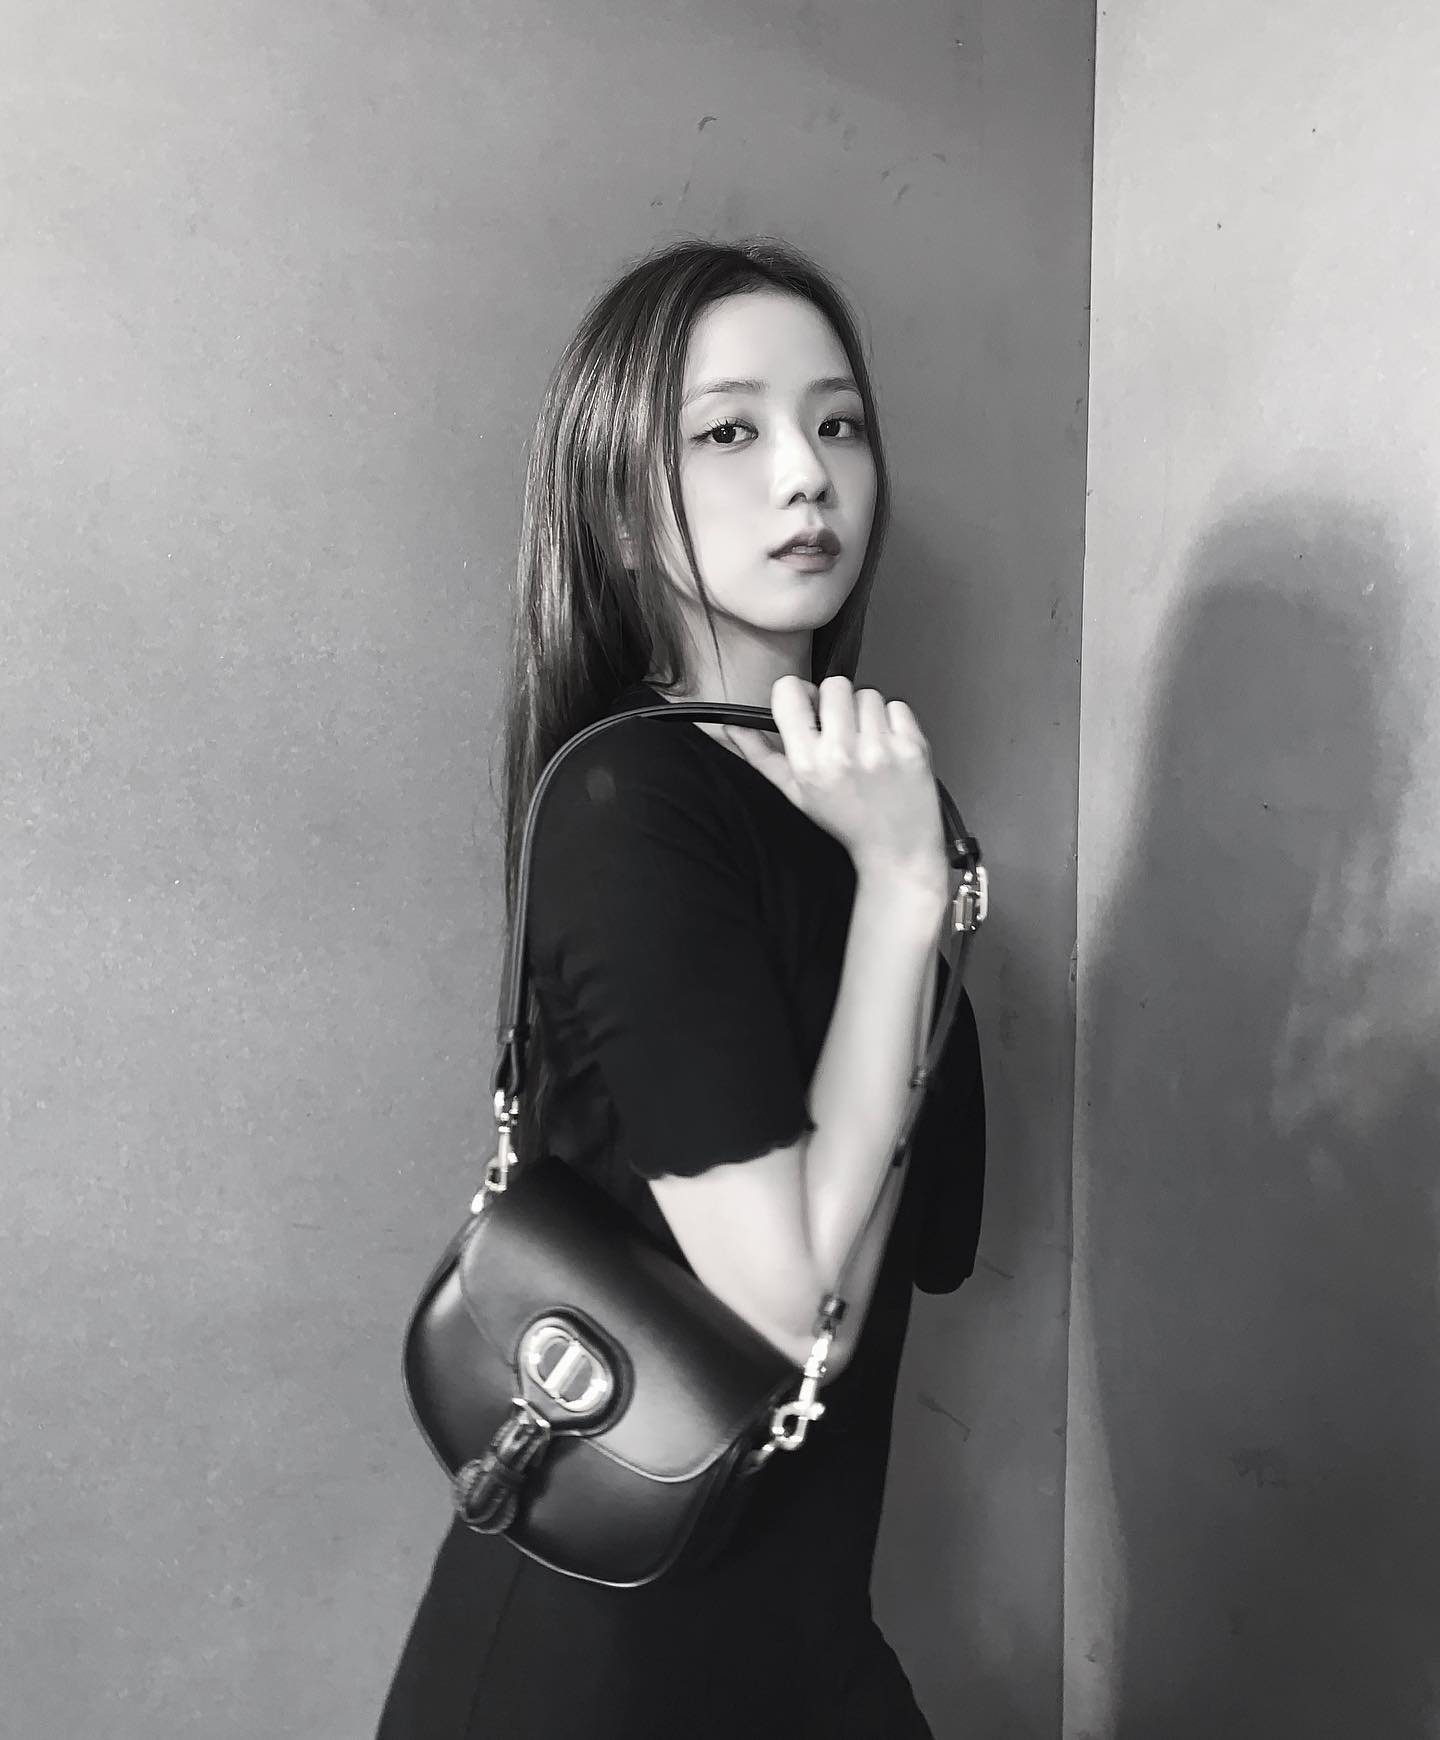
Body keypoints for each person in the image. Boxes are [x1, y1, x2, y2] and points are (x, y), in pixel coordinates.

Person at [376, 235, 986, 1739]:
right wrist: (905, 898)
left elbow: (946, 1241)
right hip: (597, 1666)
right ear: (618, 508)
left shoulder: (860, 807)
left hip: (799, 1623)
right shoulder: (633, 804)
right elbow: (793, 1314)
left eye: (838, 422)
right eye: (728, 431)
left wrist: (903, 869)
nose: (806, 474)